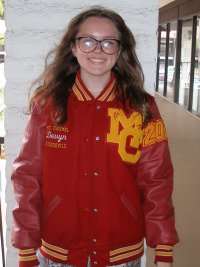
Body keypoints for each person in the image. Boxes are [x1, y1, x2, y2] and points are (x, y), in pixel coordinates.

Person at [11, 6, 179, 267]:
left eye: (108, 42)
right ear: (74, 47)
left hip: (122, 254)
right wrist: (25, 248)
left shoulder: (142, 107)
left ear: (120, 50)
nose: (97, 50)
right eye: (87, 41)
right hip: (58, 252)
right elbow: (27, 177)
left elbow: (157, 180)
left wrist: (164, 249)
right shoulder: (47, 104)